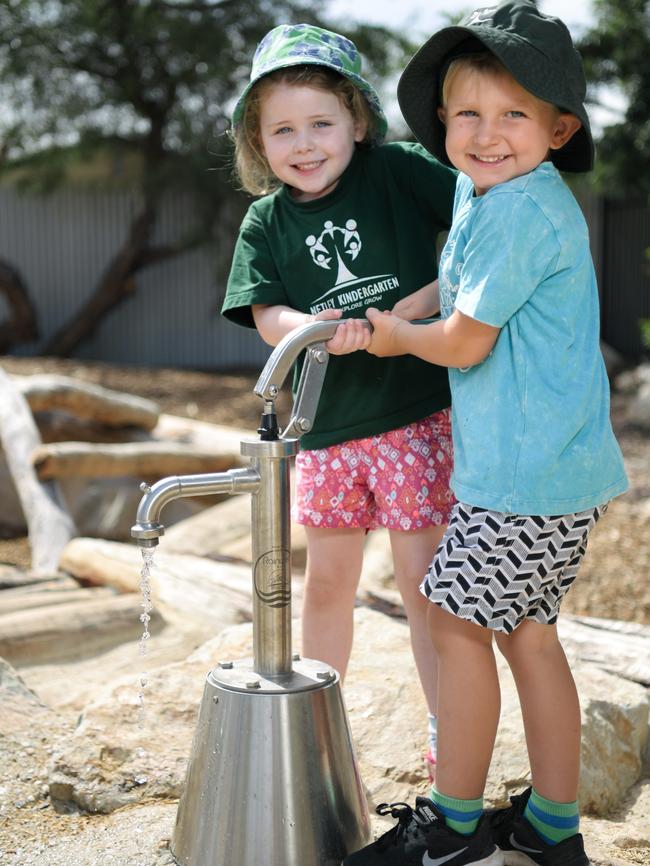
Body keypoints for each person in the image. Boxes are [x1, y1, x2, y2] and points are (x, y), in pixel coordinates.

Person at [343, 2, 629, 865]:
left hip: (524, 476)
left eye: (513, 115)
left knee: (455, 626)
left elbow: (467, 343)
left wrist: (399, 338)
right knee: (527, 636)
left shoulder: (520, 212)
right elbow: (458, 283)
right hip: (548, 468)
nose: (487, 133)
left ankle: (452, 829)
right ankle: (551, 828)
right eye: (467, 113)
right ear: (441, 120)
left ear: (559, 128)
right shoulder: (488, 188)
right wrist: (407, 305)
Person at [221, 23, 458, 774]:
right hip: (323, 429)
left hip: (414, 414)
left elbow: (482, 226)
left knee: (424, 584)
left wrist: (415, 310)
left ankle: (447, 732)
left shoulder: (397, 173)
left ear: (357, 119)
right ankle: (316, 737)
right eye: (282, 129)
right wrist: (310, 326)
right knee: (325, 583)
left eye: (321, 122)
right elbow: (266, 316)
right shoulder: (265, 221)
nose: (305, 143)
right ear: (259, 142)